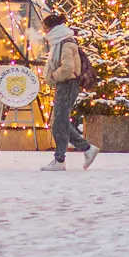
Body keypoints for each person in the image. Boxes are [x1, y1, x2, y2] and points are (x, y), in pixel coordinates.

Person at [40, 11, 99, 171]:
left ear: (52, 28)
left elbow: (68, 68)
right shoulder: (60, 43)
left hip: (67, 84)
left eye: (45, 28)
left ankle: (60, 160)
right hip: (65, 85)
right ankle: (87, 149)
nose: (43, 31)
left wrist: (53, 76)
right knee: (61, 121)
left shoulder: (65, 43)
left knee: (59, 122)